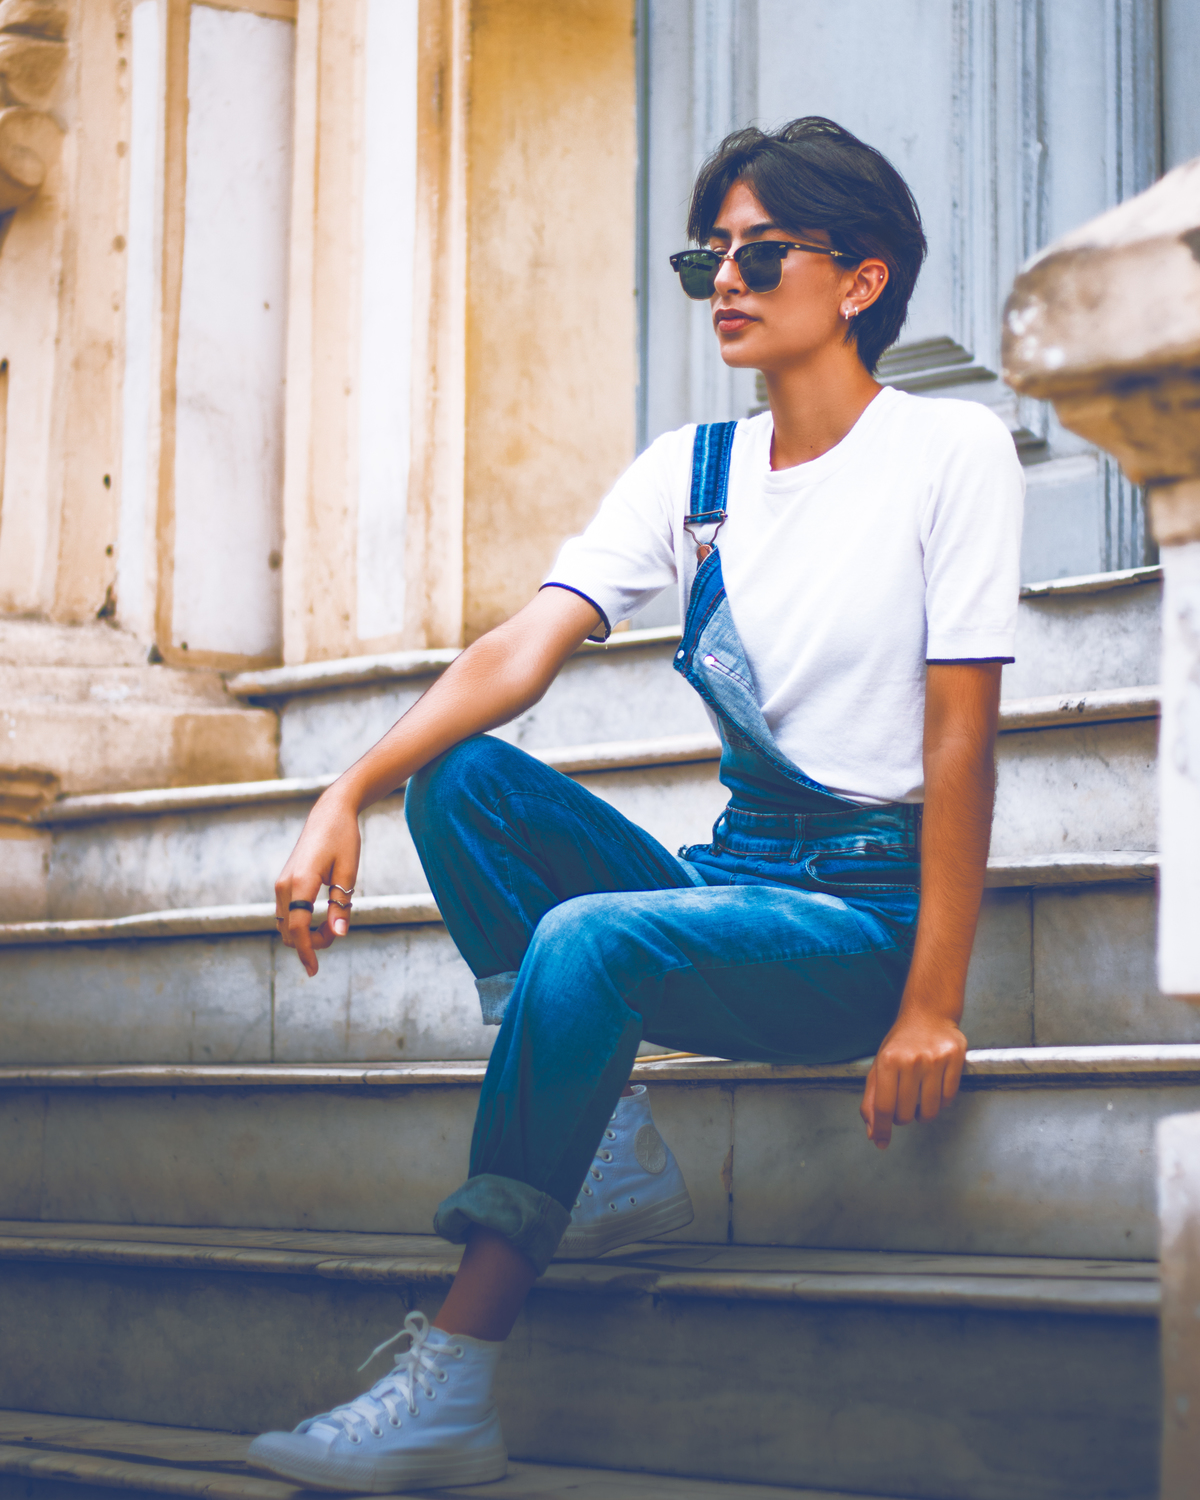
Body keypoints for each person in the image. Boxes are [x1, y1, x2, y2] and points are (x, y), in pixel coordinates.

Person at [249, 116, 1023, 1493]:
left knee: (593, 937)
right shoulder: (695, 472)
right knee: (465, 780)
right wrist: (346, 786)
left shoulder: (948, 452)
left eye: (761, 253)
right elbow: (518, 653)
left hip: (866, 916)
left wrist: (931, 1001)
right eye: (705, 255)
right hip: (741, 874)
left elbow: (962, 741)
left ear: (862, 279)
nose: (724, 280)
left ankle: (457, 1376)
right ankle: (604, 1147)